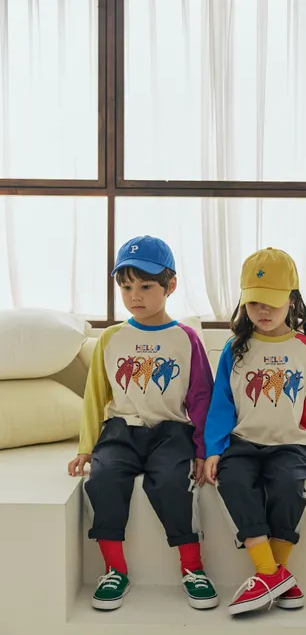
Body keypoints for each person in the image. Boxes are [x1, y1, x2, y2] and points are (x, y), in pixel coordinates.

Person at [68, 235, 218, 612]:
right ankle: (114, 570)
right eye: (126, 287)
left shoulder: (185, 339)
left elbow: (202, 398)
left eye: (146, 286)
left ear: (171, 285)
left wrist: (204, 450)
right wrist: (86, 447)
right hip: (120, 431)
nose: (135, 296)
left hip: (171, 432)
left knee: (172, 482)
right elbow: (95, 396)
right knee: (102, 479)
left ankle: (192, 567)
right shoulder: (111, 338)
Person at [204, 247, 306, 616]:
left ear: (292, 300)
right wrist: (214, 448)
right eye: (254, 303)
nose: (262, 311)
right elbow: (221, 403)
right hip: (243, 442)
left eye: (272, 302)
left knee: (287, 488)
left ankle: (270, 573)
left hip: (291, 444)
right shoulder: (236, 348)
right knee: (234, 482)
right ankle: (272, 573)